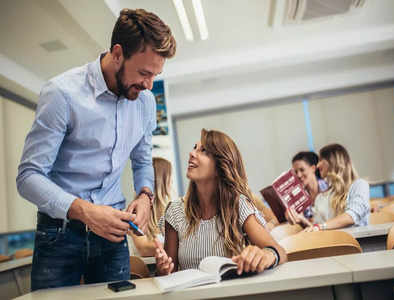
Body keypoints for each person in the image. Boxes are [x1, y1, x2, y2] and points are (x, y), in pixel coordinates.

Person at [16, 9, 176, 290]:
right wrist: (87, 212)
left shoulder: (145, 102)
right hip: (59, 236)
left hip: (114, 238)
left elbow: (141, 161)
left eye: (155, 74)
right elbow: (28, 177)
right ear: (117, 53)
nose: (149, 85)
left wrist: (146, 195)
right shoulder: (62, 94)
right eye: (143, 73)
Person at [155, 129, 287, 276]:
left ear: (220, 167)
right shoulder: (175, 211)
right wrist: (163, 269)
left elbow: (279, 251)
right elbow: (168, 274)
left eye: (203, 151)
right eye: (194, 148)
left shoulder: (238, 205)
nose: (192, 153)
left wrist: (268, 255)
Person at [288, 144, 370, 231]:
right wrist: (301, 220)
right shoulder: (321, 197)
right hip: (333, 242)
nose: (318, 165)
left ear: (333, 161)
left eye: (320, 160)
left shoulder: (359, 185)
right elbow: (318, 226)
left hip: (358, 242)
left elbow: (351, 217)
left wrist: (319, 227)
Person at [128, 157, 172, 256]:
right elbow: (144, 249)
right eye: (170, 177)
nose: (172, 182)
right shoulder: (135, 213)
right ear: (163, 182)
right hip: (148, 270)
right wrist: (179, 246)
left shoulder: (169, 212)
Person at [286, 151, 328, 223]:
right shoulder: (298, 196)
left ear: (313, 168)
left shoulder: (328, 187)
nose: (299, 175)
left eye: (302, 170)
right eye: (296, 172)